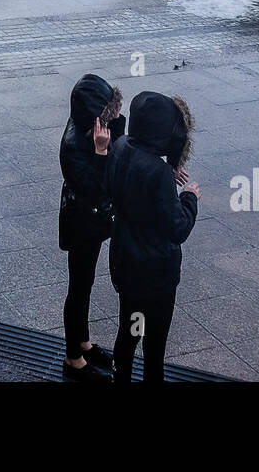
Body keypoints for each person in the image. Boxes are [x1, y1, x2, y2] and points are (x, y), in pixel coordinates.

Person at [106, 91, 199, 382]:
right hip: (155, 275)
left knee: (130, 330)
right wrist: (189, 198)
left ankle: (118, 376)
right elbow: (177, 228)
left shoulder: (120, 146)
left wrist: (165, 174)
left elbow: (132, 181)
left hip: (125, 263)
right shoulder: (158, 172)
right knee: (154, 343)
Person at [58, 74, 124, 382]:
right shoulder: (74, 146)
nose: (110, 121)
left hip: (93, 220)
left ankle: (83, 342)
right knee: (79, 287)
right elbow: (95, 188)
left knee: (85, 282)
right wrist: (100, 152)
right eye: (106, 115)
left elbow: (120, 142)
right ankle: (73, 358)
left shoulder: (90, 127)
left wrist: (113, 123)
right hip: (81, 222)